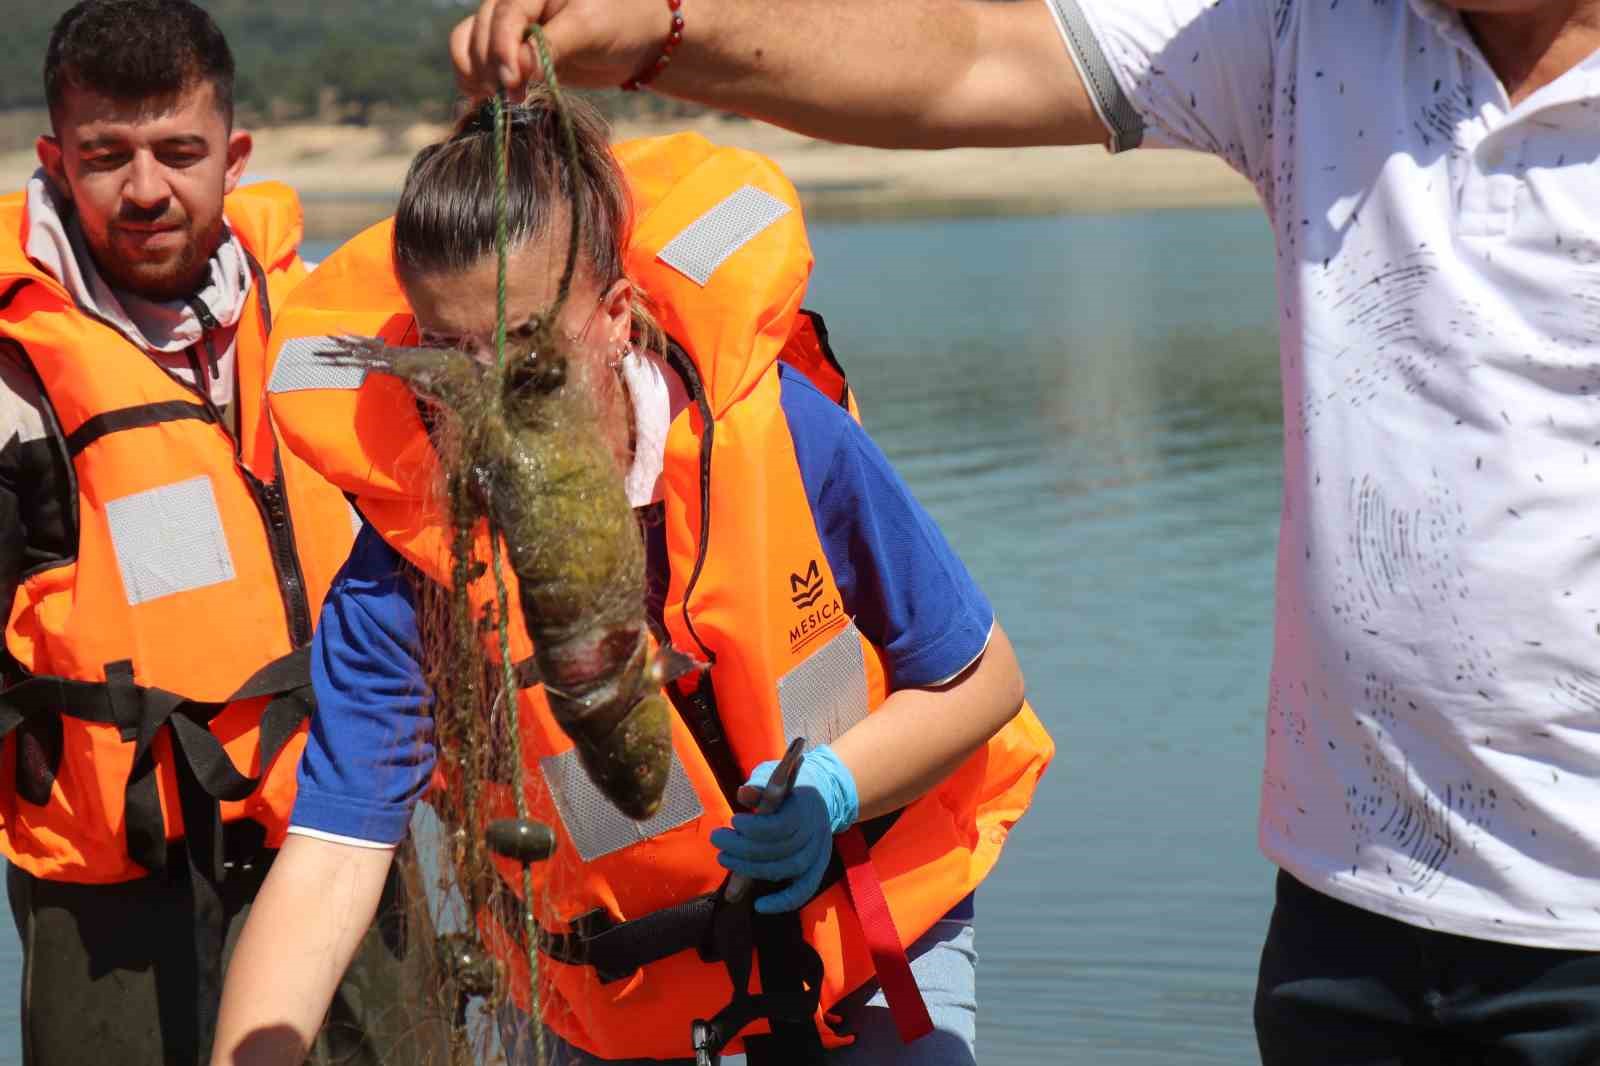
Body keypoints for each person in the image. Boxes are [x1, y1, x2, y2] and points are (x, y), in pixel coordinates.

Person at [448, 0, 1600, 1063]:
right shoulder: (1313, 28)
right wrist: (664, 26)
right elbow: (971, 54)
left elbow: (971, 672)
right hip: (1349, 915)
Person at [209, 92, 1054, 1066]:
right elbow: (331, 856)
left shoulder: (777, 432)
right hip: (615, 996)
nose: (488, 395)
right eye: (447, 356)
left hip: (866, 920)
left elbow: (980, 677)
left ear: (613, 316)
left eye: (523, 345)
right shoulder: (408, 565)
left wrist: (832, 786)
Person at [0, 2, 447, 1063]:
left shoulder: (324, 323)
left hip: (340, 824)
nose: (146, 189)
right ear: (55, 160)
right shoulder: (12, 373)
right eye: (107, 156)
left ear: (234, 156)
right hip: (115, 889)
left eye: (179, 151)